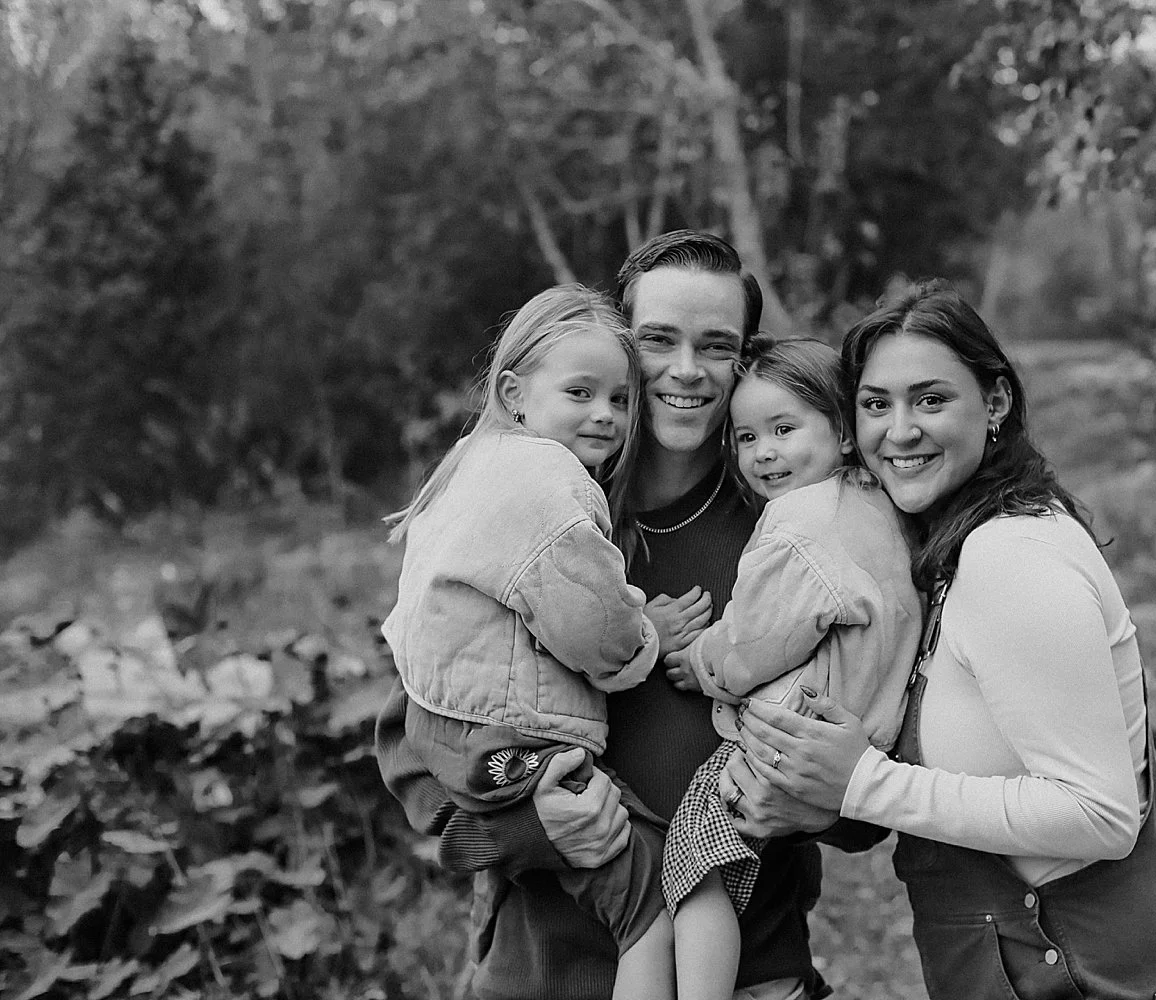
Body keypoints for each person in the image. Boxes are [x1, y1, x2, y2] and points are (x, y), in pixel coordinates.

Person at [375, 231, 857, 1000]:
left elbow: (869, 776)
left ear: (744, 360)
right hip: (546, 975)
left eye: (717, 346)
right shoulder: (534, 511)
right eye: (658, 340)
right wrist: (527, 828)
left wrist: (823, 794)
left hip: (746, 975)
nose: (686, 370)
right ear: (618, 345)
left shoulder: (791, 530)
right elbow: (411, 747)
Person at [731, 281, 1156, 1000]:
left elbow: (1099, 815)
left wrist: (863, 781)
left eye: (930, 400)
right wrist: (829, 794)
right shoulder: (948, 550)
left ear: (995, 402)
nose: (899, 431)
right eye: (876, 404)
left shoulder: (1013, 556)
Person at [379, 284, 675, 999]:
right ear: (514, 393)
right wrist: (650, 638)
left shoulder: (467, 467)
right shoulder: (547, 481)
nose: (605, 414)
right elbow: (596, 629)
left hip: (454, 728)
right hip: (515, 738)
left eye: (621, 398)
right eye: (581, 392)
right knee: (653, 899)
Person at [660, 336, 922, 1000]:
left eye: (783, 429)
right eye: (746, 437)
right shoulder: (880, 505)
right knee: (742, 864)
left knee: (693, 862)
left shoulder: (799, 523)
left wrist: (697, 660)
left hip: (784, 737)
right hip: (861, 737)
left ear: (842, 432)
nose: (763, 453)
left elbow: (753, 644)